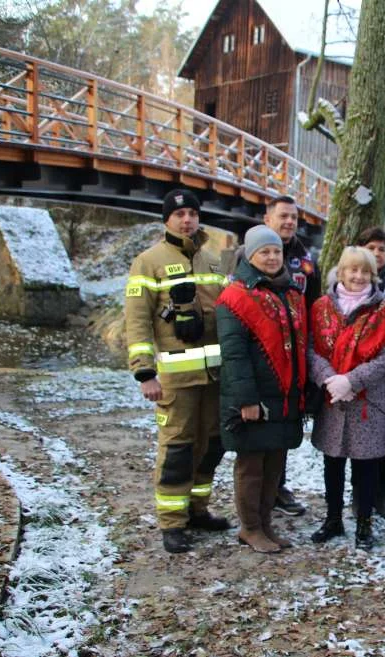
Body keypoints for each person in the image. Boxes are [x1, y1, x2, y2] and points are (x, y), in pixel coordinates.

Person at [125, 188, 230, 554]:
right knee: (178, 449)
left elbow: (229, 316)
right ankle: (172, 522)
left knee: (211, 446)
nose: (187, 220)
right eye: (179, 214)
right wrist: (144, 372)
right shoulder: (148, 261)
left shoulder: (214, 261)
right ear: (166, 219)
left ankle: (198, 510)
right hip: (176, 379)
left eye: (192, 214)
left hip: (215, 377)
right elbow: (136, 320)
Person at [225, 195, 320, 517]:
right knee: (253, 454)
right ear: (268, 219)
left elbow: (313, 306)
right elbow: (236, 347)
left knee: (278, 443)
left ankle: (273, 499)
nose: (289, 222)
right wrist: (245, 396)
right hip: (260, 369)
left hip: (290, 366)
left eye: (294, 217)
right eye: (283, 216)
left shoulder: (304, 263)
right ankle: (252, 521)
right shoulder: (241, 276)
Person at [216, 226, 308, 553]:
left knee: (275, 464)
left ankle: (266, 523)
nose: (271, 257)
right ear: (250, 255)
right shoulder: (236, 297)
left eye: (276, 252)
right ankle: (250, 527)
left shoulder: (292, 293)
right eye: (264, 252)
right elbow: (234, 354)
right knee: (252, 465)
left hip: (283, 396)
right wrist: (247, 400)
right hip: (255, 398)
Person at [309, 247, 385, 550]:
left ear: (372, 275)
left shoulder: (382, 311)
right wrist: (330, 380)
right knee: (332, 463)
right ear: (341, 272)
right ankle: (333, 519)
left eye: (365, 271)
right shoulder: (321, 307)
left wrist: (352, 380)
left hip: (367, 401)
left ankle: (364, 524)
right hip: (332, 398)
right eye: (352, 270)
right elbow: (311, 349)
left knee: (366, 467)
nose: (358, 276)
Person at [352, 226, 385, 518]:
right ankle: (359, 497)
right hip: (355, 377)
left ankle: (380, 493)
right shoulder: (349, 279)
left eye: (382, 248)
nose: (377, 253)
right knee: (357, 444)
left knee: (382, 440)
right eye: (371, 247)